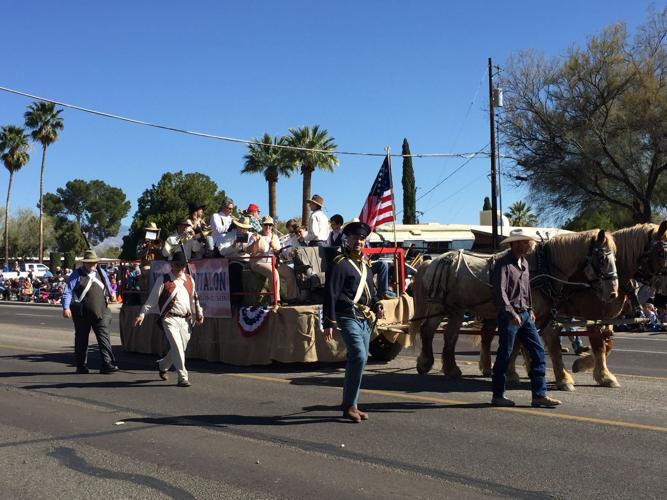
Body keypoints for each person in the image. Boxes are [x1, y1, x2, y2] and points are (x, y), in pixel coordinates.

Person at [491, 229, 561, 408]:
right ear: (514, 244)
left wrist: (530, 309)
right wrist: (511, 313)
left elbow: (526, 289)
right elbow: (500, 293)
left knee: (538, 353)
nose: (528, 245)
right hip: (510, 317)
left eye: (527, 242)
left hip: (525, 315)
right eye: (524, 242)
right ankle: (498, 395)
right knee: (504, 356)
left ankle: (539, 395)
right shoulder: (503, 264)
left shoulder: (525, 263)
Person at [323, 221, 385, 423]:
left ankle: (351, 405)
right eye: (354, 238)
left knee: (360, 360)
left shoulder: (365, 265)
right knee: (358, 355)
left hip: (365, 319)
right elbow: (330, 294)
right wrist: (329, 322)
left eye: (361, 238)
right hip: (347, 316)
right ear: (347, 239)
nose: (358, 241)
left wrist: (377, 305)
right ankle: (349, 405)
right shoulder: (339, 263)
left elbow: (371, 292)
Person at [134, 251, 203, 386]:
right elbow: (152, 299)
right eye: (177, 265)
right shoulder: (163, 280)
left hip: (186, 319)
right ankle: (183, 377)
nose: (180, 268)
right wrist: (142, 314)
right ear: (172, 265)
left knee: (180, 348)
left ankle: (163, 365)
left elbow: (194, 300)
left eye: (182, 266)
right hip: (169, 318)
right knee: (177, 346)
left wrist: (199, 313)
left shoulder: (189, 280)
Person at [62, 250, 118, 374]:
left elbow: (108, 286)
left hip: (101, 310)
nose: (93, 265)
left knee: (104, 337)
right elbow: (68, 291)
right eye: (90, 263)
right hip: (82, 312)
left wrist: (113, 294)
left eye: (94, 262)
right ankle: (81, 365)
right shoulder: (76, 275)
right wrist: (66, 307)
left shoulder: (101, 272)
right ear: (84, 263)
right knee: (81, 339)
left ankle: (107, 363)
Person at [249, 216, 299, 303]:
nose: (268, 227)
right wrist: (255, 243)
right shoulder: (255, 236)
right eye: (266, 225)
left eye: (270, 225)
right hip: (259, 262)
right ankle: (275, 300)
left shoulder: (275, 237)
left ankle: (292, 298)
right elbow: (248, 251)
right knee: (273, 273)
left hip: (274, 262)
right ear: (262, 225)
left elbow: (278, 252)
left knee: (290, 272)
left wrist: (278, 251)